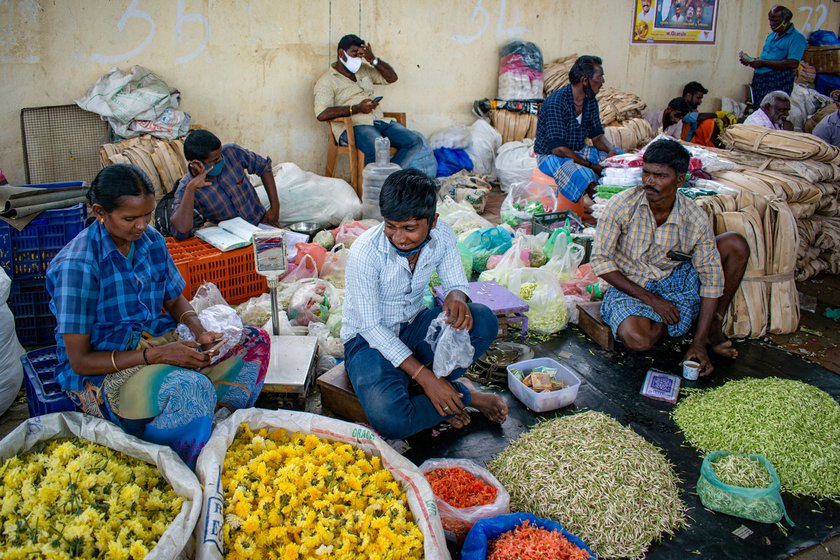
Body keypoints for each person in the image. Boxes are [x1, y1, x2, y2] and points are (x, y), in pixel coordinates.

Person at [46, 164, 271, 468]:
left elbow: (175, 298)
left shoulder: (150, 241)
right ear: (100, 211)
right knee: (191, 390)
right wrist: (156, 357)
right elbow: (80, 360)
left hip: (156, 343)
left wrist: (199, 330)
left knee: (254, 341)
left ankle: (201, 422)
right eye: (130, 218)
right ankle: (176, 461)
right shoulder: (78, 265)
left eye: (147, 215)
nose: (140, 226)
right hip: (104, 371)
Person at [341, 169, 508, 439]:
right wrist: (425, 377)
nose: (399, 237)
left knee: (483, 319)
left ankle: (433, 392)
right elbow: (370, 327)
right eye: (390, 226)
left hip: (414, 328)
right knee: (391, 418)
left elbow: (456, 281)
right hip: (367, 342)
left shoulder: (441, 234)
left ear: (432, 221)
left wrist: (457, 295)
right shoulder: (366, 252)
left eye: (409, 228)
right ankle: (463, 397)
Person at [591, 139, 750, 376]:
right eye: (647, 173)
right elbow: (600, 262)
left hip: (675, 279)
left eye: (660, 176)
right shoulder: (622, 205)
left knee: (735, 244)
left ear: (680, 180)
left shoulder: (694, 217)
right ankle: (683, 321)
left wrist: (698, 344)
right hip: (632, 285)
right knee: (639, 340)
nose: (650, 181)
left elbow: (711, 279)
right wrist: (653, 300)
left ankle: (709, 325)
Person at [314, 34, 431, 173]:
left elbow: (392, 78)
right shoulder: (327, 81)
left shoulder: (363, 69)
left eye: (360, 55)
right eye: (353, 53)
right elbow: (321, 114)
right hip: (354, 126)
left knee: (415, 142)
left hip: (379, 121)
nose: (357, 58)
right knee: (378, 147)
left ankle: (387, 179)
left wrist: (373, 60)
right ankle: (375, 188)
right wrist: (356, 108)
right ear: (341, 53)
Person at [534, 55, 618, 216]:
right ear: (585, 80)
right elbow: (559, 149)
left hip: (578, 150)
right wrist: (592, 165)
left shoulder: (589, 100)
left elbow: (597, 136)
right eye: (600, 76)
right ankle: (609, 210)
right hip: (550, 155)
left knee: (620, 159)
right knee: (583, 175)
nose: (602, 81)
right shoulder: (556, 103)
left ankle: (617, 199)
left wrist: (610, 150)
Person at [169, 129, 280, 240]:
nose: (221, 160)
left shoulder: (232, 153)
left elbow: (264, 167)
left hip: (261, 223)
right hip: (232, 240)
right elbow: (180, 232)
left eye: (221, 155)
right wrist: (191, 189)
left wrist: (275, 208)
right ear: (195, 164)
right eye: (215, 160)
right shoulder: (186, 187)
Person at [739, 5, 806, 110]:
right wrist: (752, 61)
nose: (771, 24)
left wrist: (763, 63)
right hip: (761, 80)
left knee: (773, 111)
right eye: (770, 20)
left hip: (778, 80)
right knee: (759, 109)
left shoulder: (797, 38)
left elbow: (793, 63)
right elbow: (768, 57)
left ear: (786, 20)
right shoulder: (772, 35)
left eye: (775, 21)